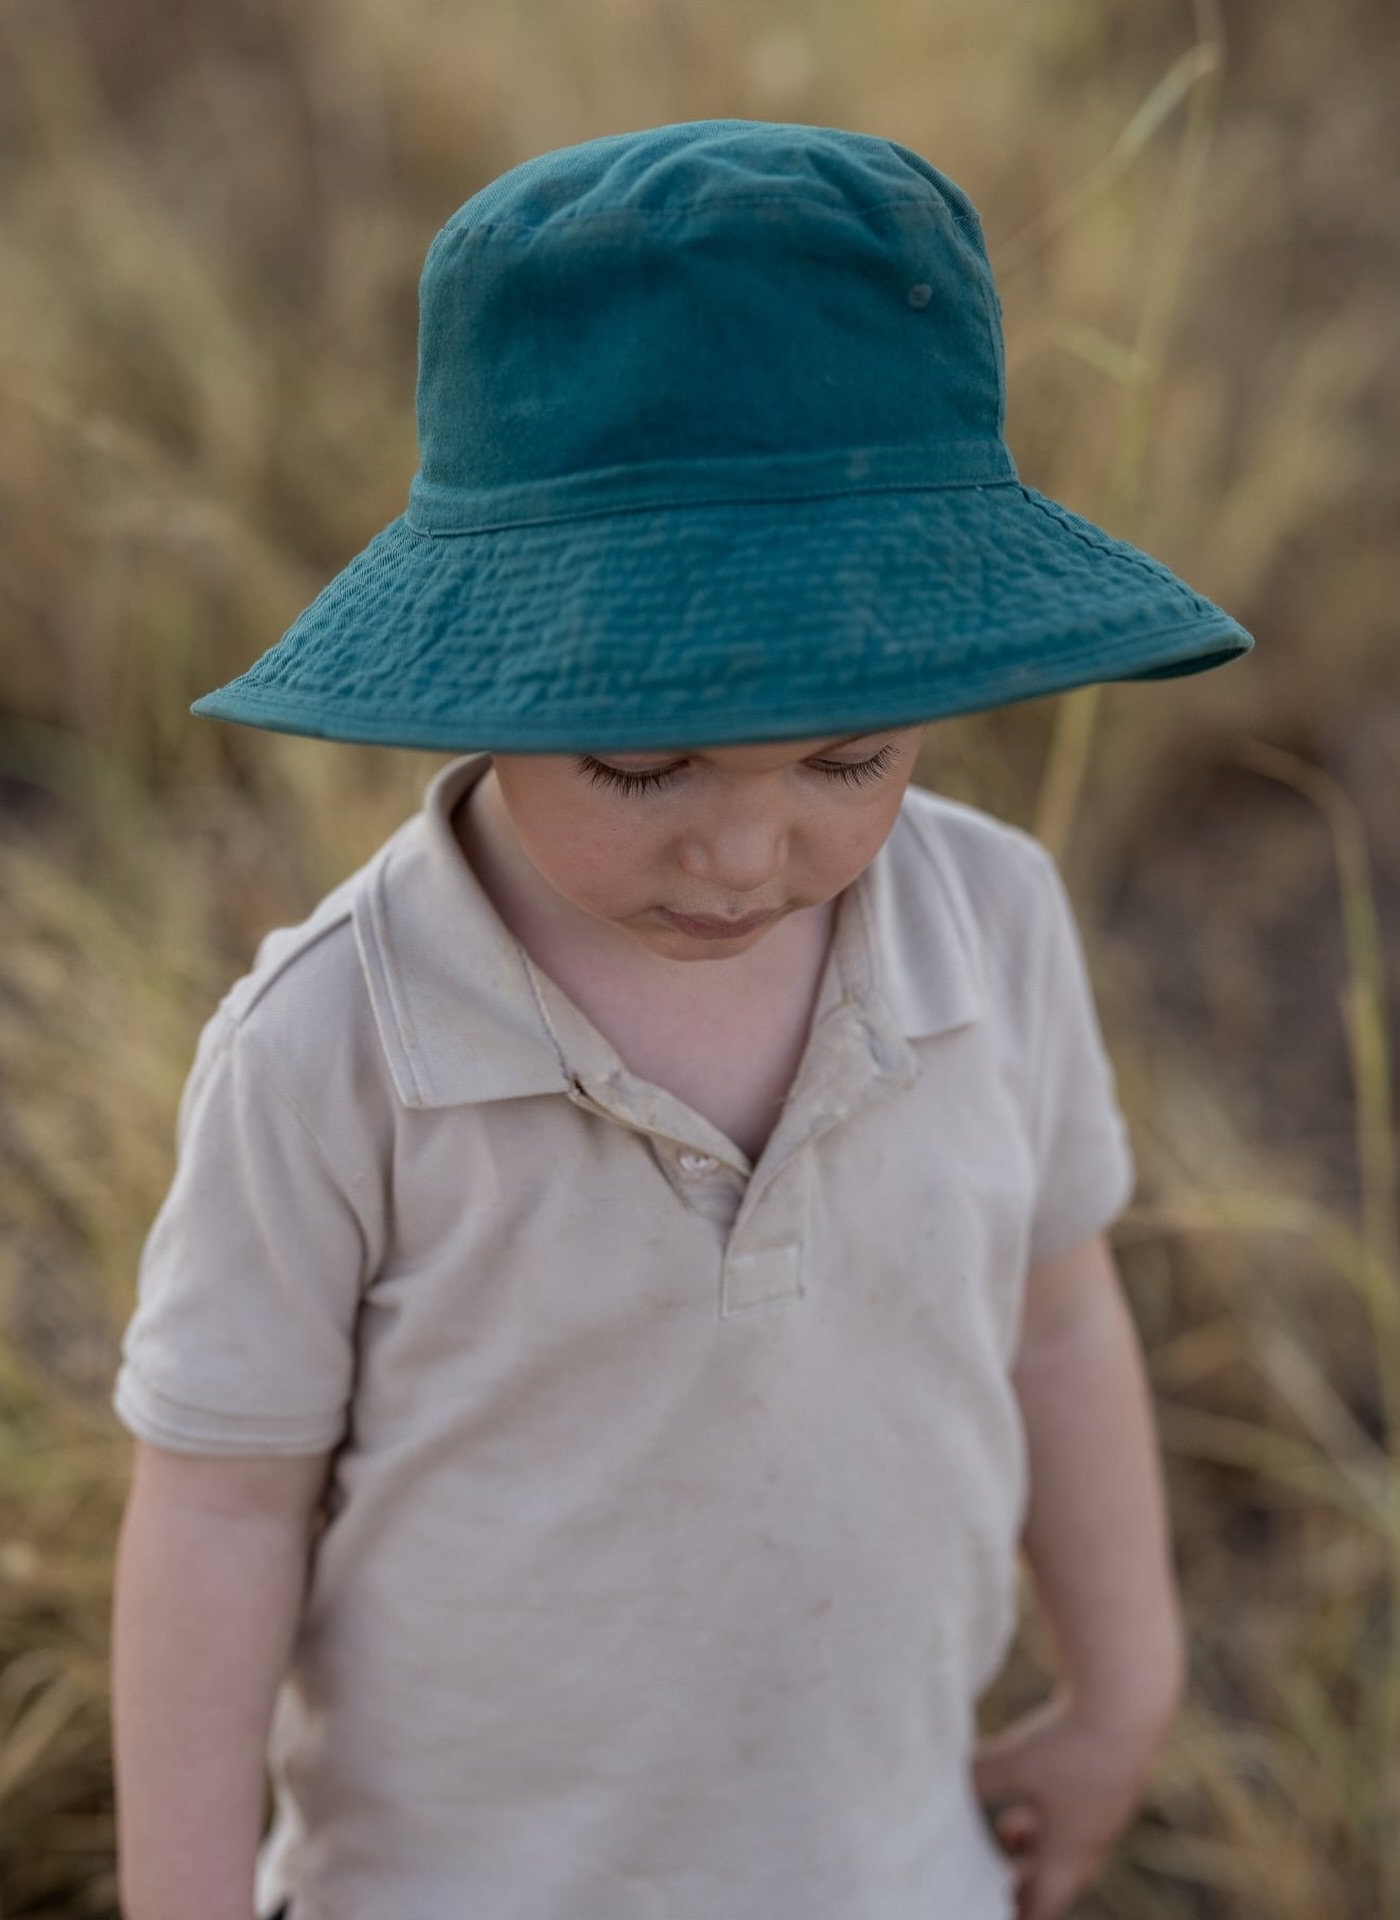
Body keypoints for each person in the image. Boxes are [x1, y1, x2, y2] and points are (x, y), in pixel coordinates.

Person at [107, 119, 1253, 1920]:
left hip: (897, 1866)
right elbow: (221, 1507)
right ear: (479, 683)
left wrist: (1125, 1692)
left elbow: (1055, 1320)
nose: (745, 843)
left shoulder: (993, 926)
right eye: (643, 757)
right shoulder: (333, 1046)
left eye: (849, 753)